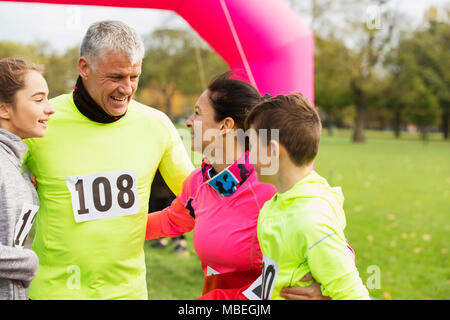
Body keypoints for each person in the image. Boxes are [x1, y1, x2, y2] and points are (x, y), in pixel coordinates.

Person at [23, 20, 193, 299]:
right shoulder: (42, 121)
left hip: (129, 293)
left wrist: (146, 227)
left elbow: (197, 200)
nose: (126, 88)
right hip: (54, 292)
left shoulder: (156, 125)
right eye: (115, 77)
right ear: (84, 67)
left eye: (134, 77)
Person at [145, 73, 327, 300]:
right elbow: (172, 219)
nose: (189, 122)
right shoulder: (199, 181)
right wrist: (115, 225)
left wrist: (324, 290)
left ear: (225, 125)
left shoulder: (271, 183)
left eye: (198, 113)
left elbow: (329, 238)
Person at [245, 93, 370, 299]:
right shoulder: (278, 203)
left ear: (273, 151)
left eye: (251, 145)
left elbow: (352, 293)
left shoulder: (310, 219)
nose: (248, 156)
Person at [0, 57, 55, 299]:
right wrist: (28, 260)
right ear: (4, 108)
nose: (50, 108)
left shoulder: (14, 163)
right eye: (38, 99)